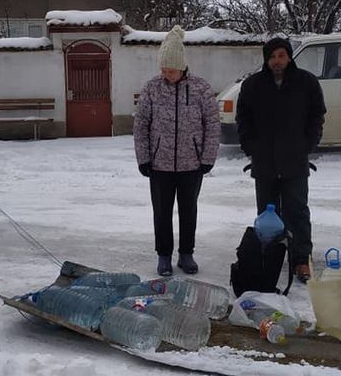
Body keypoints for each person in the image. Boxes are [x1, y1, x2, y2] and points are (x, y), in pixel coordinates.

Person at [236, 37, 326, 283]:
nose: (277, 61)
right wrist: (250, 147)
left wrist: (307, 145)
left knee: (297, 211)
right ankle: (269, 258)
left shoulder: (305, 82)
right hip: (264, 163)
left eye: (281, 56)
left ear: (289, 57)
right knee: (267, 216)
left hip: (294, 161)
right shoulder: (253, 85)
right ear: (266, 59)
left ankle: (300, 260)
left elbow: (317, 114)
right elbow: (243, 118)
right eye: (272, 57)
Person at [134, 25, 220, 277]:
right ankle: (163, 256)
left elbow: (212, 125)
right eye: (163, 69)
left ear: (181, 67)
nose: (165, 73)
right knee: (161, 213)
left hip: (191, 165)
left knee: (188, 210)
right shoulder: (152, 88)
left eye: (170, 69)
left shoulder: (201, 89)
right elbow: (141, 126)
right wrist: (144, 158)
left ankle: (186, 254)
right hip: (159, 164)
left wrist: (207, 158)